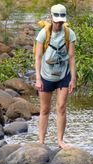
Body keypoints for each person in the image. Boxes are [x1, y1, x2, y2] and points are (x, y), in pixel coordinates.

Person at [35, 4, 76, 149]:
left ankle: (60, 140)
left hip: (63, 75)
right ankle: (41, 141)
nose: (59, 23)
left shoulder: (69, 34)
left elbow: (71, 57)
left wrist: (73, 78)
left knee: (61, 108)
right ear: (51, 18)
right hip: (46, 76)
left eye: (61, 20)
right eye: (56, 20)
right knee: (45, 109)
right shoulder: (43, 34)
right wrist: (38, 79)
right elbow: (38, 57)